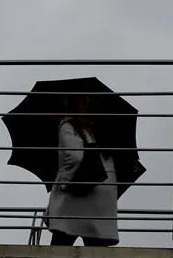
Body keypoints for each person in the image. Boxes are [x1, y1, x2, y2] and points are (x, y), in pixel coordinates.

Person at [44, 94, 119, 247]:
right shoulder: (102, 130)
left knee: (60, 244)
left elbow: (75, 156)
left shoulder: (69, 126)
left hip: (75, 198)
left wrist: (64, 182)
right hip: (101, 199)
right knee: (96, 247)